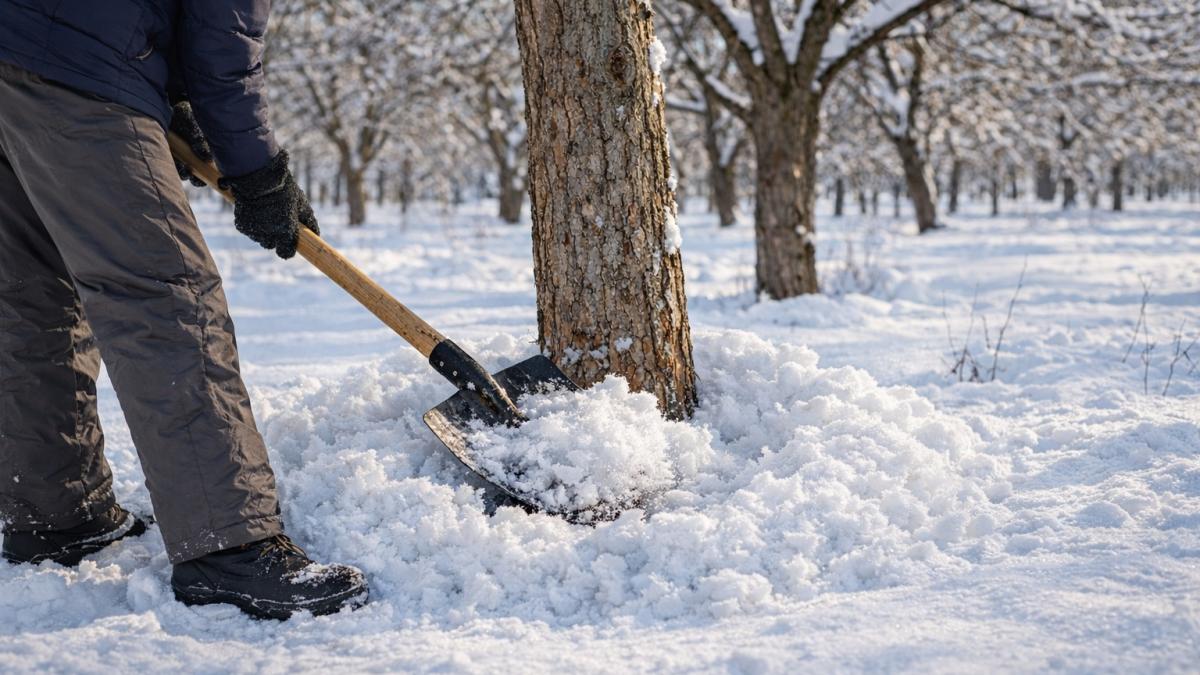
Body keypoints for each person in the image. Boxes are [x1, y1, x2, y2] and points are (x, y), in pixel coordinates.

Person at [0, 1, 369, 620]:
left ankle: (55, 516)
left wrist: (172, 105)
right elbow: (223, 42)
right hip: (76, 65)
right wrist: (259, 172)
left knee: (29, 300)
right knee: (166, 296)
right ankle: (226, 543)